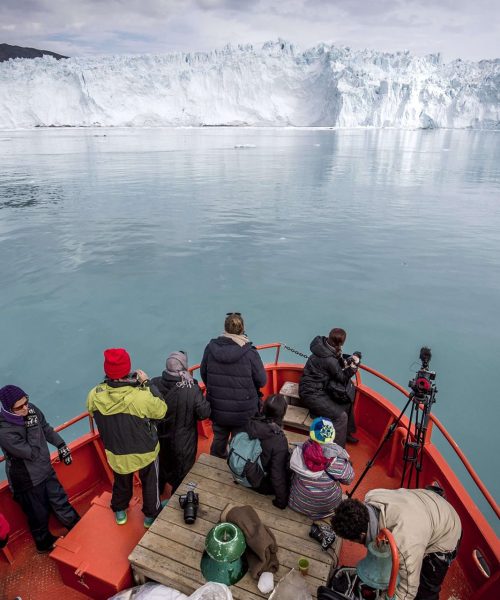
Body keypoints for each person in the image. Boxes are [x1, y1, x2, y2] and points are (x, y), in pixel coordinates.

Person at [331, 488, 462, 600]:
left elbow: (407, 592)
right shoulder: (372, 496)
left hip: (447, 529)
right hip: (427, 504)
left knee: (426, 591)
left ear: (362, 535)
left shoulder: (405, 544)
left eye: (353, 541)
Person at [86, 348, 167, 528]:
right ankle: (150, 516)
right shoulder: (141, 397)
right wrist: (147, 383)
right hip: (145, 451)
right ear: (127, 369)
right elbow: (161, 411)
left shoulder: (94, 395)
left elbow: (92, 412)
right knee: (150, 483)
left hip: (116, 451)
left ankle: (120, 511)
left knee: (121, 481)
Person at [0, 385, 80, 552]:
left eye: (26, 402)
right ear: (9, 409)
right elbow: (32, 452)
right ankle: (43, 543)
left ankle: (75, 524)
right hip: (27, 479)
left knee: (59, 499)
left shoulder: (30, 410)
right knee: (38, 514)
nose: (26, 408)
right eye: (20, 407)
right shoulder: (4, 431)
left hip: (44, 468)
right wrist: (31, 426)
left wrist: (61, 445)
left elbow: (45, 428)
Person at [201, 312, 267, 458]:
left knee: (219, 440)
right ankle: (237, 468)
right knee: (240, 443)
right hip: (244, 410)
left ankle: (213, 467)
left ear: (225, 328)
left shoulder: (210, 349)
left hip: (218, 408)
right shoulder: (250, 353)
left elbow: (203, 374)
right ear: (242, 329)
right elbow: (262, 381)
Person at [150, 350, 210, 494]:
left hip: (158, 438)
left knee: (161, 466)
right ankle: (174, 497)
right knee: (181, 473)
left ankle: (158, 490)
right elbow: (204, 413)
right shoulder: (191, 388)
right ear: (184, 368)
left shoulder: (154, 383)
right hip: (183, 442)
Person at [299, 328, 360, 448]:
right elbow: (341, 377)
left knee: (347, 400)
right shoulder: (329, 359)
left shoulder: (323, 347)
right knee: (341, 418)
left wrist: (346, 361)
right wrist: (353, 367)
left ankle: (346, 433)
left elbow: (335, 365)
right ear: (340, 343)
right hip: (312, 394)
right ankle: (338, 452)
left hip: (316, 388)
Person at [288, 417, 354, 519]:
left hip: (297, 504)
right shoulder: (339, 462)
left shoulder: (297, 451)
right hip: (325, 510)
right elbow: (348, 480)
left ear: (311, 433)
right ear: (332, 435)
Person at [244, 394, 290, 509]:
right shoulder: (279, 440)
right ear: (282, 414)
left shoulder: (249, 423)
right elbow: (277, 474)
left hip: (242, 471)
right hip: (258, 482)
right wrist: (281, 502)